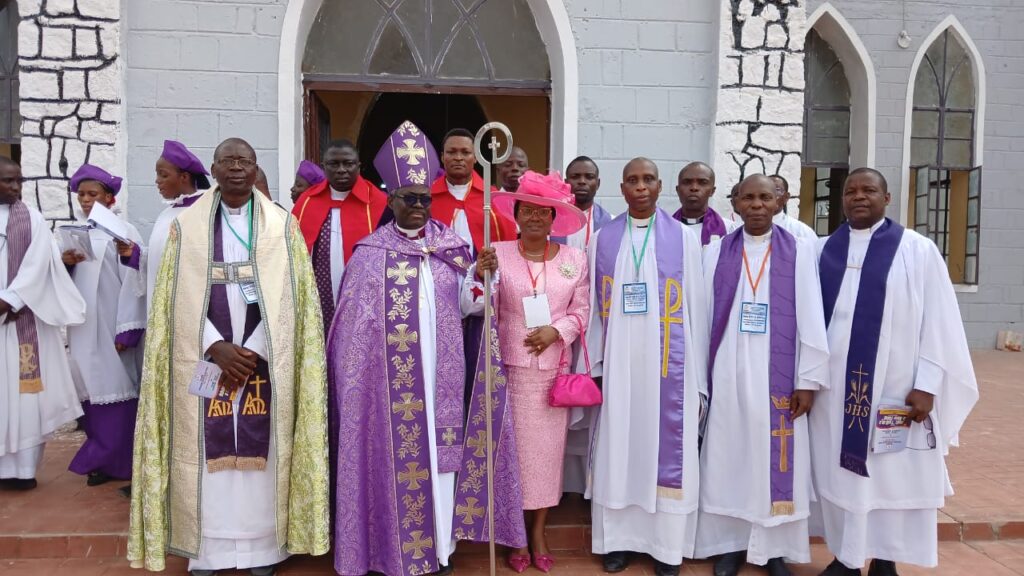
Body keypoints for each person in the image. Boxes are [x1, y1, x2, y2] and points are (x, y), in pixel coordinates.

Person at [329, 123, 526, 576]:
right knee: (391, 464)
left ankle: (439, 551)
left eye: (423, 199)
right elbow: (351, 338)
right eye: (408, 198)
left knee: (439, 466)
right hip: (389, 392)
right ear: (391, 200)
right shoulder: (369, 255)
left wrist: (482, 277)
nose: (417, 206)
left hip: (441, 383)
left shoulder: (451, 248)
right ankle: (388, 552)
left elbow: (472, 308)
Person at [127, 138, 330, 575]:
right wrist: (213, 345)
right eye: (228, 160)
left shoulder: (282, 225)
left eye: (245, 161)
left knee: (265, 456)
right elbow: (172, 297)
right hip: (206, 357)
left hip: (263, 360)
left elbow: (294, 297)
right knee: (203, 454)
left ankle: (264, 550)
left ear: (256, 169)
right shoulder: (186, 226)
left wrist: (255, 347)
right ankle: (207, 553)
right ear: (214, 169)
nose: (237, 167)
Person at [810, 168, 978, 576]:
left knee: (890, 475)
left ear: (887, 198)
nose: (858, 197)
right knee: (840, 476)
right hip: (834, 392)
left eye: (869, 190)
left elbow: (940, 322)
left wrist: (928, 384)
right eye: (851, 191)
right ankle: (846, 557)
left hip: (895, 388)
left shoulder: (916, 250)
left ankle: (884, 558)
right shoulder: (822, 250)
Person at [696, 175, 829, 576]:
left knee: (773, 459)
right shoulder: (715, 252)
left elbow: (812, 316)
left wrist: (807, 381)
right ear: (735, 203)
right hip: (728, 368)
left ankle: (773, 550)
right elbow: (702, 317)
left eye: (764, 197)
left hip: (779, 375)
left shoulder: (800, 251)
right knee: (729, 453)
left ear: (778, 202)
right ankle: (730, 545)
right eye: (748, 198)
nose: (756, 205)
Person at [585, 158, 709, 576]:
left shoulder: (683, 239)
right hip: (619, 366)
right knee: (619, 446)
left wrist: (697, 375)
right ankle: (618, 542)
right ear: (621, 188)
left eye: (648, 180)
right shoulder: (603, 239)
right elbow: (593, 310)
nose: (640, 187)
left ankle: (665, 547)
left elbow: (696, 308)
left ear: (660, 186)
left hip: (669, 368)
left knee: (665, 450)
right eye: (632, 181)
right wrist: (597, 363)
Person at [491, 170, 590, 572]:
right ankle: (515, 534)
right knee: (513, 456)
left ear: (554, 218)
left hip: (552, 374)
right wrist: (479, 276)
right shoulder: (496, 253)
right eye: (527, 210)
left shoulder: (574, 259)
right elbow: (481, 305)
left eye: (543, 211)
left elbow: (582, 311)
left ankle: (538, 533)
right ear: (516, 214)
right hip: (510, 372)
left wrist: (556, 331)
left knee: (547, 459)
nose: (534, 217)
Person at [0, 157, 86, 491]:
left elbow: (39, 266)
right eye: (8, 181)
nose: (16, 187)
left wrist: (12, 299)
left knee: (25, 397)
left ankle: (22, 470)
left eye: (19, 181)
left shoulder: (32, 219)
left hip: (22, 320)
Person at [62, 164, 146, 488]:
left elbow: (136, 281)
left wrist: (129, 329)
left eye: (92, 194)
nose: (85, 200)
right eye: (81, 194)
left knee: (117, 390)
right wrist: (66, 264)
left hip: (113, 326)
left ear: (109, 198)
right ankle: (102, 458)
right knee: (91, 392)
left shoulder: (123, 231)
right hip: (84, 328)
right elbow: (63, 282)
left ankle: (120, 460)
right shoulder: (75, 233)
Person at [294, 139, 389, 326]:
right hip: (318, 293)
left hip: (365, 292)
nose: (341, 170)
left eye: (348, 163)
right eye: (334, 164)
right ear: (324, 167)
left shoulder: (379, 202)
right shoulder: (307, 201)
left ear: (359, 166)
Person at [430, 128, 518, 254]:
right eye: (451, 152)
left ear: (476, 157)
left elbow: (508, 244)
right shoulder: (427, 198)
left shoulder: (494, 197)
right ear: (443, 157)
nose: (458, 158)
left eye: (465, 152)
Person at [146, 140, 210, 311]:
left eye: (163, 175)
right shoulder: (166, 214)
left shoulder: (205, 211)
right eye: (157, 175)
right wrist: (132, 254)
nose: (157, 181)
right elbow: (158, 260)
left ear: (184, 177)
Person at [551, 156, 613, 251]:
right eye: (575, 177)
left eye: (589, 177)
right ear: (566, 183)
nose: (582, 181)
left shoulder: (611, 223)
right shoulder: (551, 220)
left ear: (598, 184)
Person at [672, 162, 739, 246]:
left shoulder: (730, 229)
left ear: (712, 191)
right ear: (678, 190)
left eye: (702, 182)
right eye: (687, 182)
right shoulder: (663, 228)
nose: (694, 188)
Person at [770, 175, 816, 240]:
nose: (769, 195)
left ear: (786, 197)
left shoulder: (802, 232)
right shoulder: (754, 228)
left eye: (776, 190)